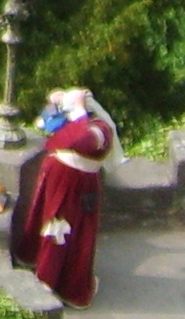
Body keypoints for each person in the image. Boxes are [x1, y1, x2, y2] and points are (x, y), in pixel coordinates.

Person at [12, 88, 117, 307]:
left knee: (64, 230)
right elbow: (43, 124)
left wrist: (79, 111)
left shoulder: (101, 129)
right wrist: (57, 103)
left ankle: (56, 282)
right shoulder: (71, 120)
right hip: (58, 177)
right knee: (48, 223)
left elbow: (84, 141)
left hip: (76, 185)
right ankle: (38, 263)